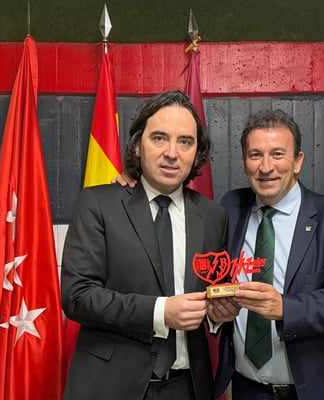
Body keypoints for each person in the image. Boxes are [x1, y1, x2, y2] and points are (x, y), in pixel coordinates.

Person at [61, 90, 228, 400]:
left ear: (197, 152)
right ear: (137, 145)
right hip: (110, 386)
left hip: (188, 387)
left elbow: (214, 295)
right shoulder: (98, 204)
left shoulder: (213, 216)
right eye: (159, 138)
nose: (172, 153)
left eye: (185, 142)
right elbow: (78, 297)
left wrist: (218, 315)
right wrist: (160, 311)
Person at [207, 109, 324, 399]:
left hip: (320, 390)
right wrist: (218, 312)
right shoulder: (232, 207)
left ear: (297, 161)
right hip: (248, 389)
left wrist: (286, 307)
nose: (266, 167)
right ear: (245, 163)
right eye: (256, 155)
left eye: (277, 154)